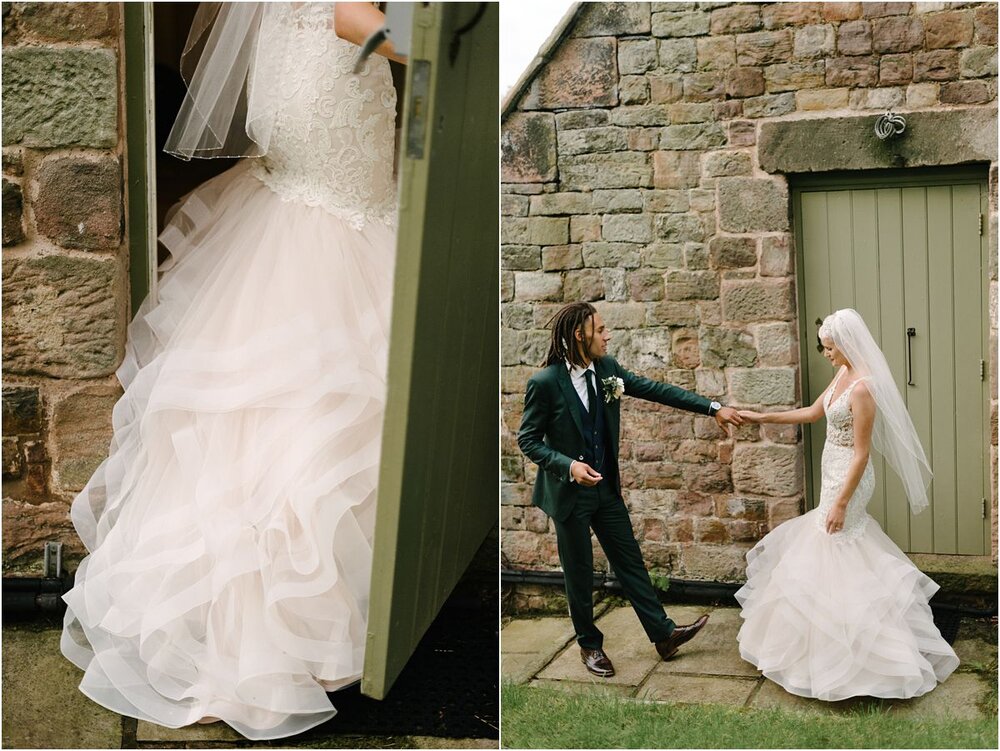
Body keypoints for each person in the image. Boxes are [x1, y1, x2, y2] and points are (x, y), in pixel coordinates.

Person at [60, 3, 404, 740]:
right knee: (326, 348)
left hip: (301, 81)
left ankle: (240, 627)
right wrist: (443, 52)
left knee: (274, 338)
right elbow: (359, 19)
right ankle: (273, 643)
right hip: (334, 101)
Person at [735, 308, 959, 701]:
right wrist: (760, 417)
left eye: (829, 347)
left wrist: (840, 503)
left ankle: (859, 653)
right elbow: (811, 412)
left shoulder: (863, 388)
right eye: (824, 348)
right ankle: (821, 647)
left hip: (850, 479)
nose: (826, 354)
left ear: (846, 344)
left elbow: (861, 453)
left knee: (836, 543)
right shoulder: (842, 375)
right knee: (831, 547)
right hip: (832, 471)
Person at [517, 302, 743, 677]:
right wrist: (569, 466)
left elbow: (656, 390)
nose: (607, 336)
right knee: (579, 573)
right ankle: (589, 646)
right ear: (580, 335)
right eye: (601, 330)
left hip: (605, 490)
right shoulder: (545, 383)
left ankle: (664, 635)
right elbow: (528, 440)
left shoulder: (607, 370)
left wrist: (712, 407)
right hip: (569, 495)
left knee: (631, 563)